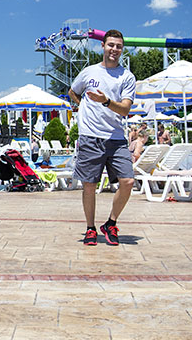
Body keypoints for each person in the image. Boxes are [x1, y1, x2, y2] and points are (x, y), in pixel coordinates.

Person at [68, 29, 136, 247]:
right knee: (89, 184)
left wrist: (105, 101)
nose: (114, 49)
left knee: (127, 181)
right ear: (103, 46)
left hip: (116, 138)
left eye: (118, 46)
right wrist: (83, 108)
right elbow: (72, 91)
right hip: (90, 136)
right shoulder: (89, 72)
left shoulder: (126, 76)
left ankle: (111, 222)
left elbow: (125, 109)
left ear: (121, 49)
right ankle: (90, 228)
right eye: (111, 45)